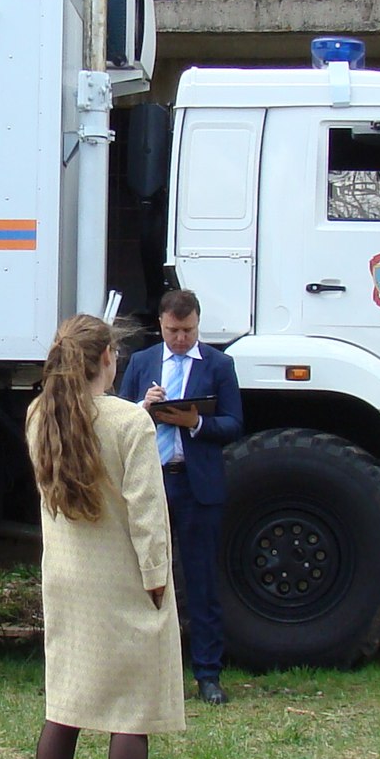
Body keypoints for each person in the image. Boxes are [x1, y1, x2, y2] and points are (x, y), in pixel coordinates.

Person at [28, 315, 181, 759]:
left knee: (64, 706)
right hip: (120, 577)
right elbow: (147, 513)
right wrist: (158, 579)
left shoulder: (39, 414)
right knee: (131, 712)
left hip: (66, 577)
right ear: (107, 359)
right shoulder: (128, 421)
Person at [114, 289, 243, 704]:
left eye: (187, 331)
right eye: (173, 331)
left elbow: (234, 424)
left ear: (198, 325)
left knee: (200, 581)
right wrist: (142, 406)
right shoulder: (142, 361)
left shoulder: (220, 365)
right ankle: (145, 673)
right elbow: (116, 416)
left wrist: (196, 421)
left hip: (195, 483)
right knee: (145, 579)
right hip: (150, 482)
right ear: (161, 325)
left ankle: (208, 675)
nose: (181, 339)